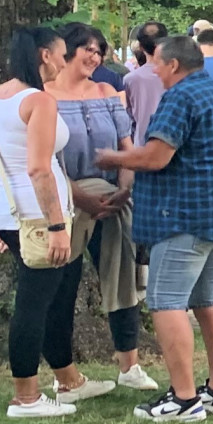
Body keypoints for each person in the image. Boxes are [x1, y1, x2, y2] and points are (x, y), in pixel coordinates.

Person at [98, 36, 213, 422]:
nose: (153, 70)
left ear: (173, 66)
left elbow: (155, 156)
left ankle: (183, 399)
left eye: (157, 63)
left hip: (184, 216)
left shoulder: (180, 97)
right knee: (210, 300)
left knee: (166, 302)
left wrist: (112, 157)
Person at [0, 25, 112, 418]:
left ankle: (68, 379)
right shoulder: (39, 101)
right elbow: (40, 169)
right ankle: (25, 396)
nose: (63, 60)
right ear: (44, 56)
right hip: (39, 215)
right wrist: (57, 226)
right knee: (35, 302)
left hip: (12, 210)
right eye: (60, 53)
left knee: (54, 295)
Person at [50, 21, 153, 391]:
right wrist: (81, 198)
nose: (94, 57)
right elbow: (45, 160)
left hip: (113, 199)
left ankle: (130, 365)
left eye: (100, 51)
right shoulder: (44, 96)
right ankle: (64, 374)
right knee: (62, 284)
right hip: (67, 202)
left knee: (123, 280)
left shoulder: (109, 91)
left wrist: (124, 189)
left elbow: (127, 147)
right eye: (87, 49)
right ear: (67, 51)